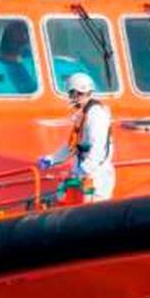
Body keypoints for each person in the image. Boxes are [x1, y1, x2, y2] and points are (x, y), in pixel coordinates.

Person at [37, 72, 115, 202]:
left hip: (97, 176)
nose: (73, 98)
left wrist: (84, 170)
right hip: (83, 170)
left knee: (92, 205)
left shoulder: (96, 115)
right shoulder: (83, 115)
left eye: (76, 94)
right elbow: (73, 145)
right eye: (72, 94)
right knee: (62, 196)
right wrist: (52, 159)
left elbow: (98, 148)